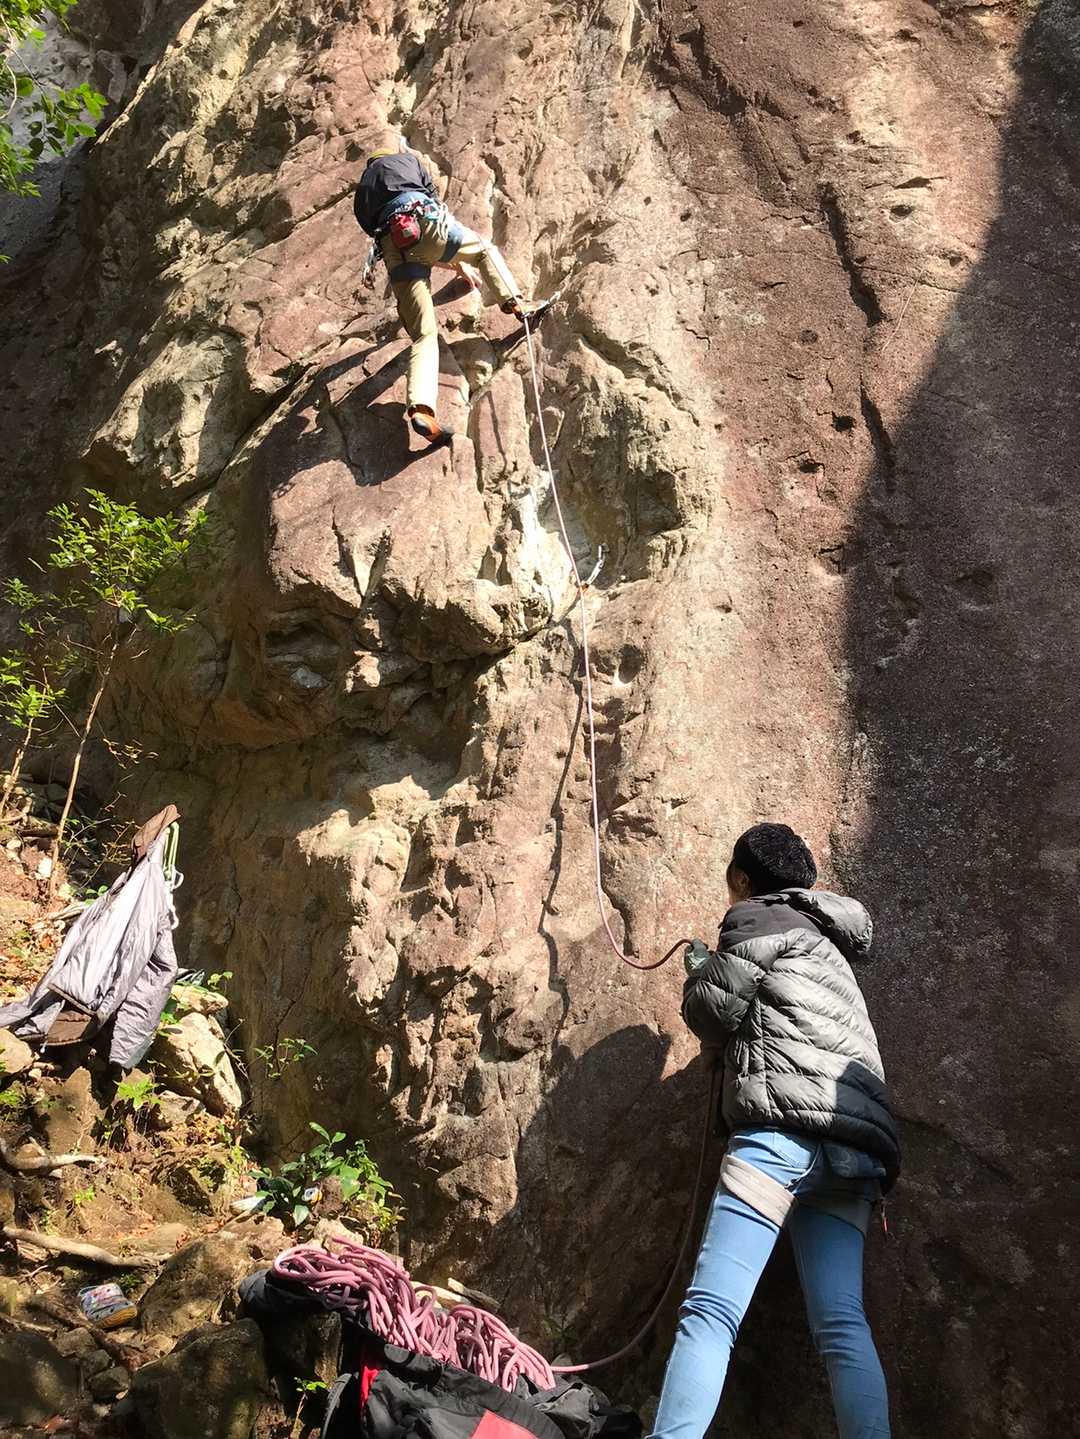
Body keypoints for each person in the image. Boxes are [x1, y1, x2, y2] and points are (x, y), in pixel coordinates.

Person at [651, 822, 900, 1439]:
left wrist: (701, 971)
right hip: (856, 1149)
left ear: (742, 879)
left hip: (780, 1137)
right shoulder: (830, 946)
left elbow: (714, 1013)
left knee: (712, 1312)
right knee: (842, 1325)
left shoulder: (757, 917)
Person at [354, 137, 550, 446]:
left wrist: (452, 263)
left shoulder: (363, 192)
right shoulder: (407, 161)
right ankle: (516, 304)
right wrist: (458, 261)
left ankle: (422, 410)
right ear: (389, 156)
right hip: (425, 219)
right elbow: (432, 204)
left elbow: (387, 235)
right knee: (484, 250)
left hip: (395, 247)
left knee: (423, 335)